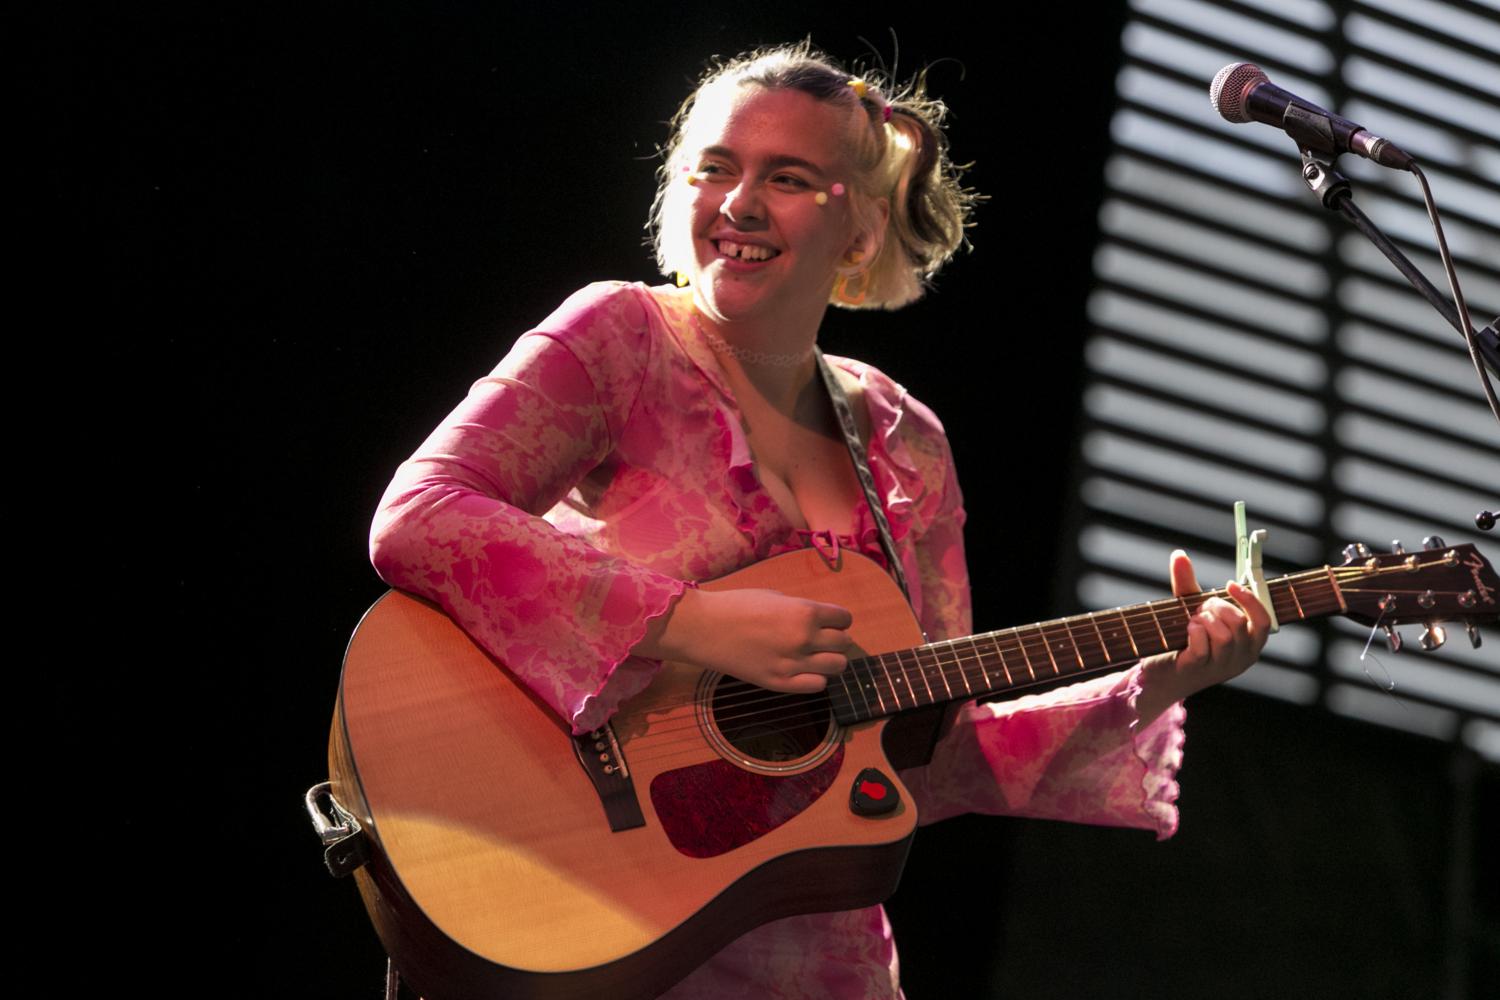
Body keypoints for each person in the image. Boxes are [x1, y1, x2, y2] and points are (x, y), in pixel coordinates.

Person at [369, 42, 1270, 999]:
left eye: (788, 178)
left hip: (815, 964)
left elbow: (934, 756)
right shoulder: (621, 338)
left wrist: (1156, 681)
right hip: (592, 908)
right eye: (714, 168)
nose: (740, 203)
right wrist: (694, 622)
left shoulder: (907, 442)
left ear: (861, 231)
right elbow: (418, 516)